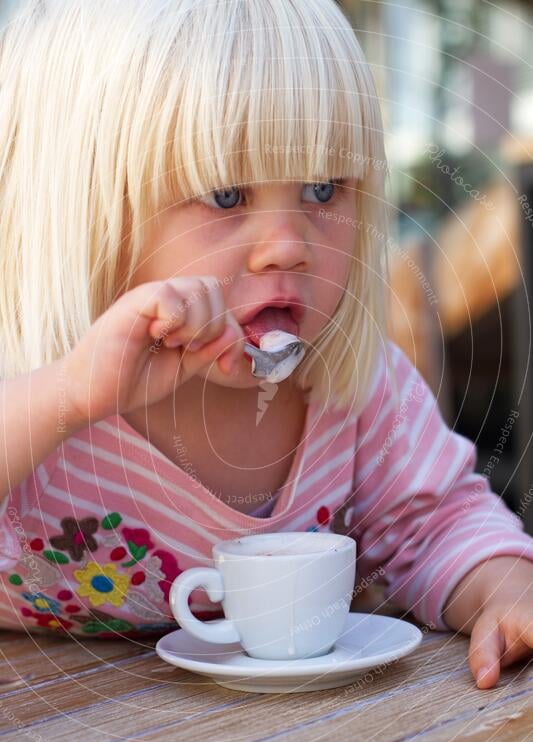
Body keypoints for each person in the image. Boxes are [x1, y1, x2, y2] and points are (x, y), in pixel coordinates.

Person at [1, 0, 532, 689]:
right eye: (224, 195)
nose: (287, 244)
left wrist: (504, 590)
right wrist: (64, 398)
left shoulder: (353, 383)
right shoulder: (32, 384)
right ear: (83, 214)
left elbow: (435, 524)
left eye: (322, 188)